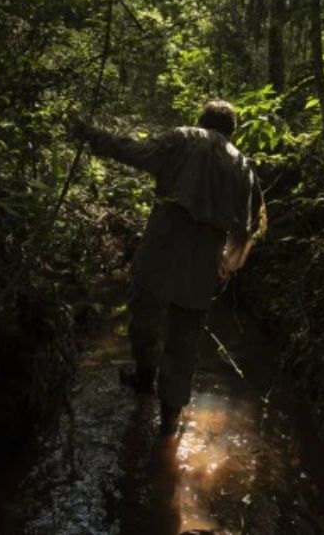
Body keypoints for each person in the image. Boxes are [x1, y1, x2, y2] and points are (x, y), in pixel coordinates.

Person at [70, 100, 266, 435]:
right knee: (184, 342)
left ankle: (144, 378)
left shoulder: (185, 137)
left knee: (144, 317)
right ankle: (169, 421)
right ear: (232, 131)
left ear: (202, 120)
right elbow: (250, 226)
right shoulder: (244, 166)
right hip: (202, 266)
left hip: (161, 251)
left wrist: (89, 134)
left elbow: (132, 150)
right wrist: (227, 265)